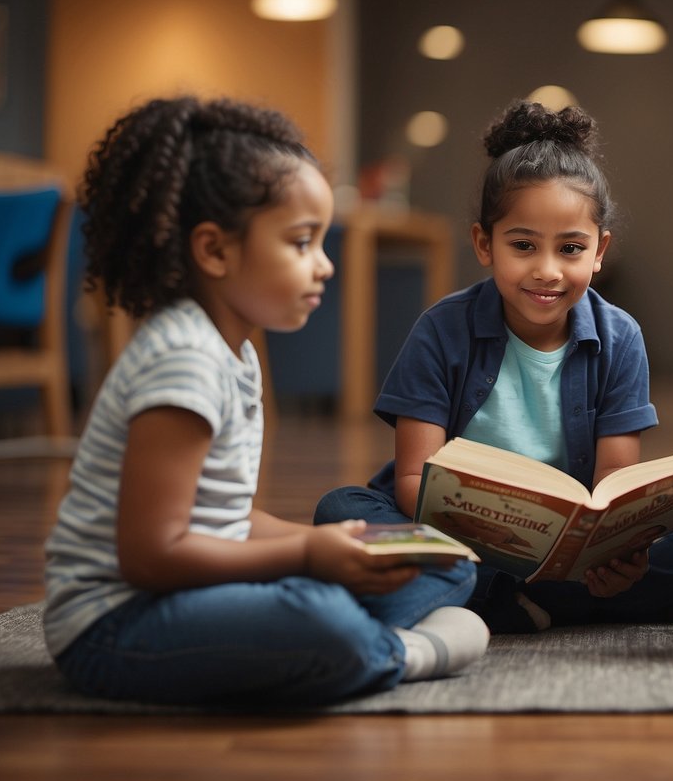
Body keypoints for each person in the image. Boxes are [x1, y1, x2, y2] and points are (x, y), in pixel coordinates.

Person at [42, 96, 488, 707]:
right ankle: (397, 654)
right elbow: (149, 556)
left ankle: (348, 636)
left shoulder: (236, 354)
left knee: (446, 564)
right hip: (116, 625)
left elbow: (223, 521)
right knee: (318, 615)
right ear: (216, 250)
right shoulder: (185, 359)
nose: (325, 267)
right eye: (302, 243)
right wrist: (305, 554)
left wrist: (350, 544)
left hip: (185, 594)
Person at [314, 100, 673, 632]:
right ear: (483, 243)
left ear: (599, 251)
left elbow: (613, 479)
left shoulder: (620, 337)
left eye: (570, 248)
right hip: (456, 537)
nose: (547, 271)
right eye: (522, 245)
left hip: (567, 551)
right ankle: (570, 603)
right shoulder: (441, 329)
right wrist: (490, 535)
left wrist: (620, 549)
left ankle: (514, 602)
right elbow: (412, 481)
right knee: (343, 509)